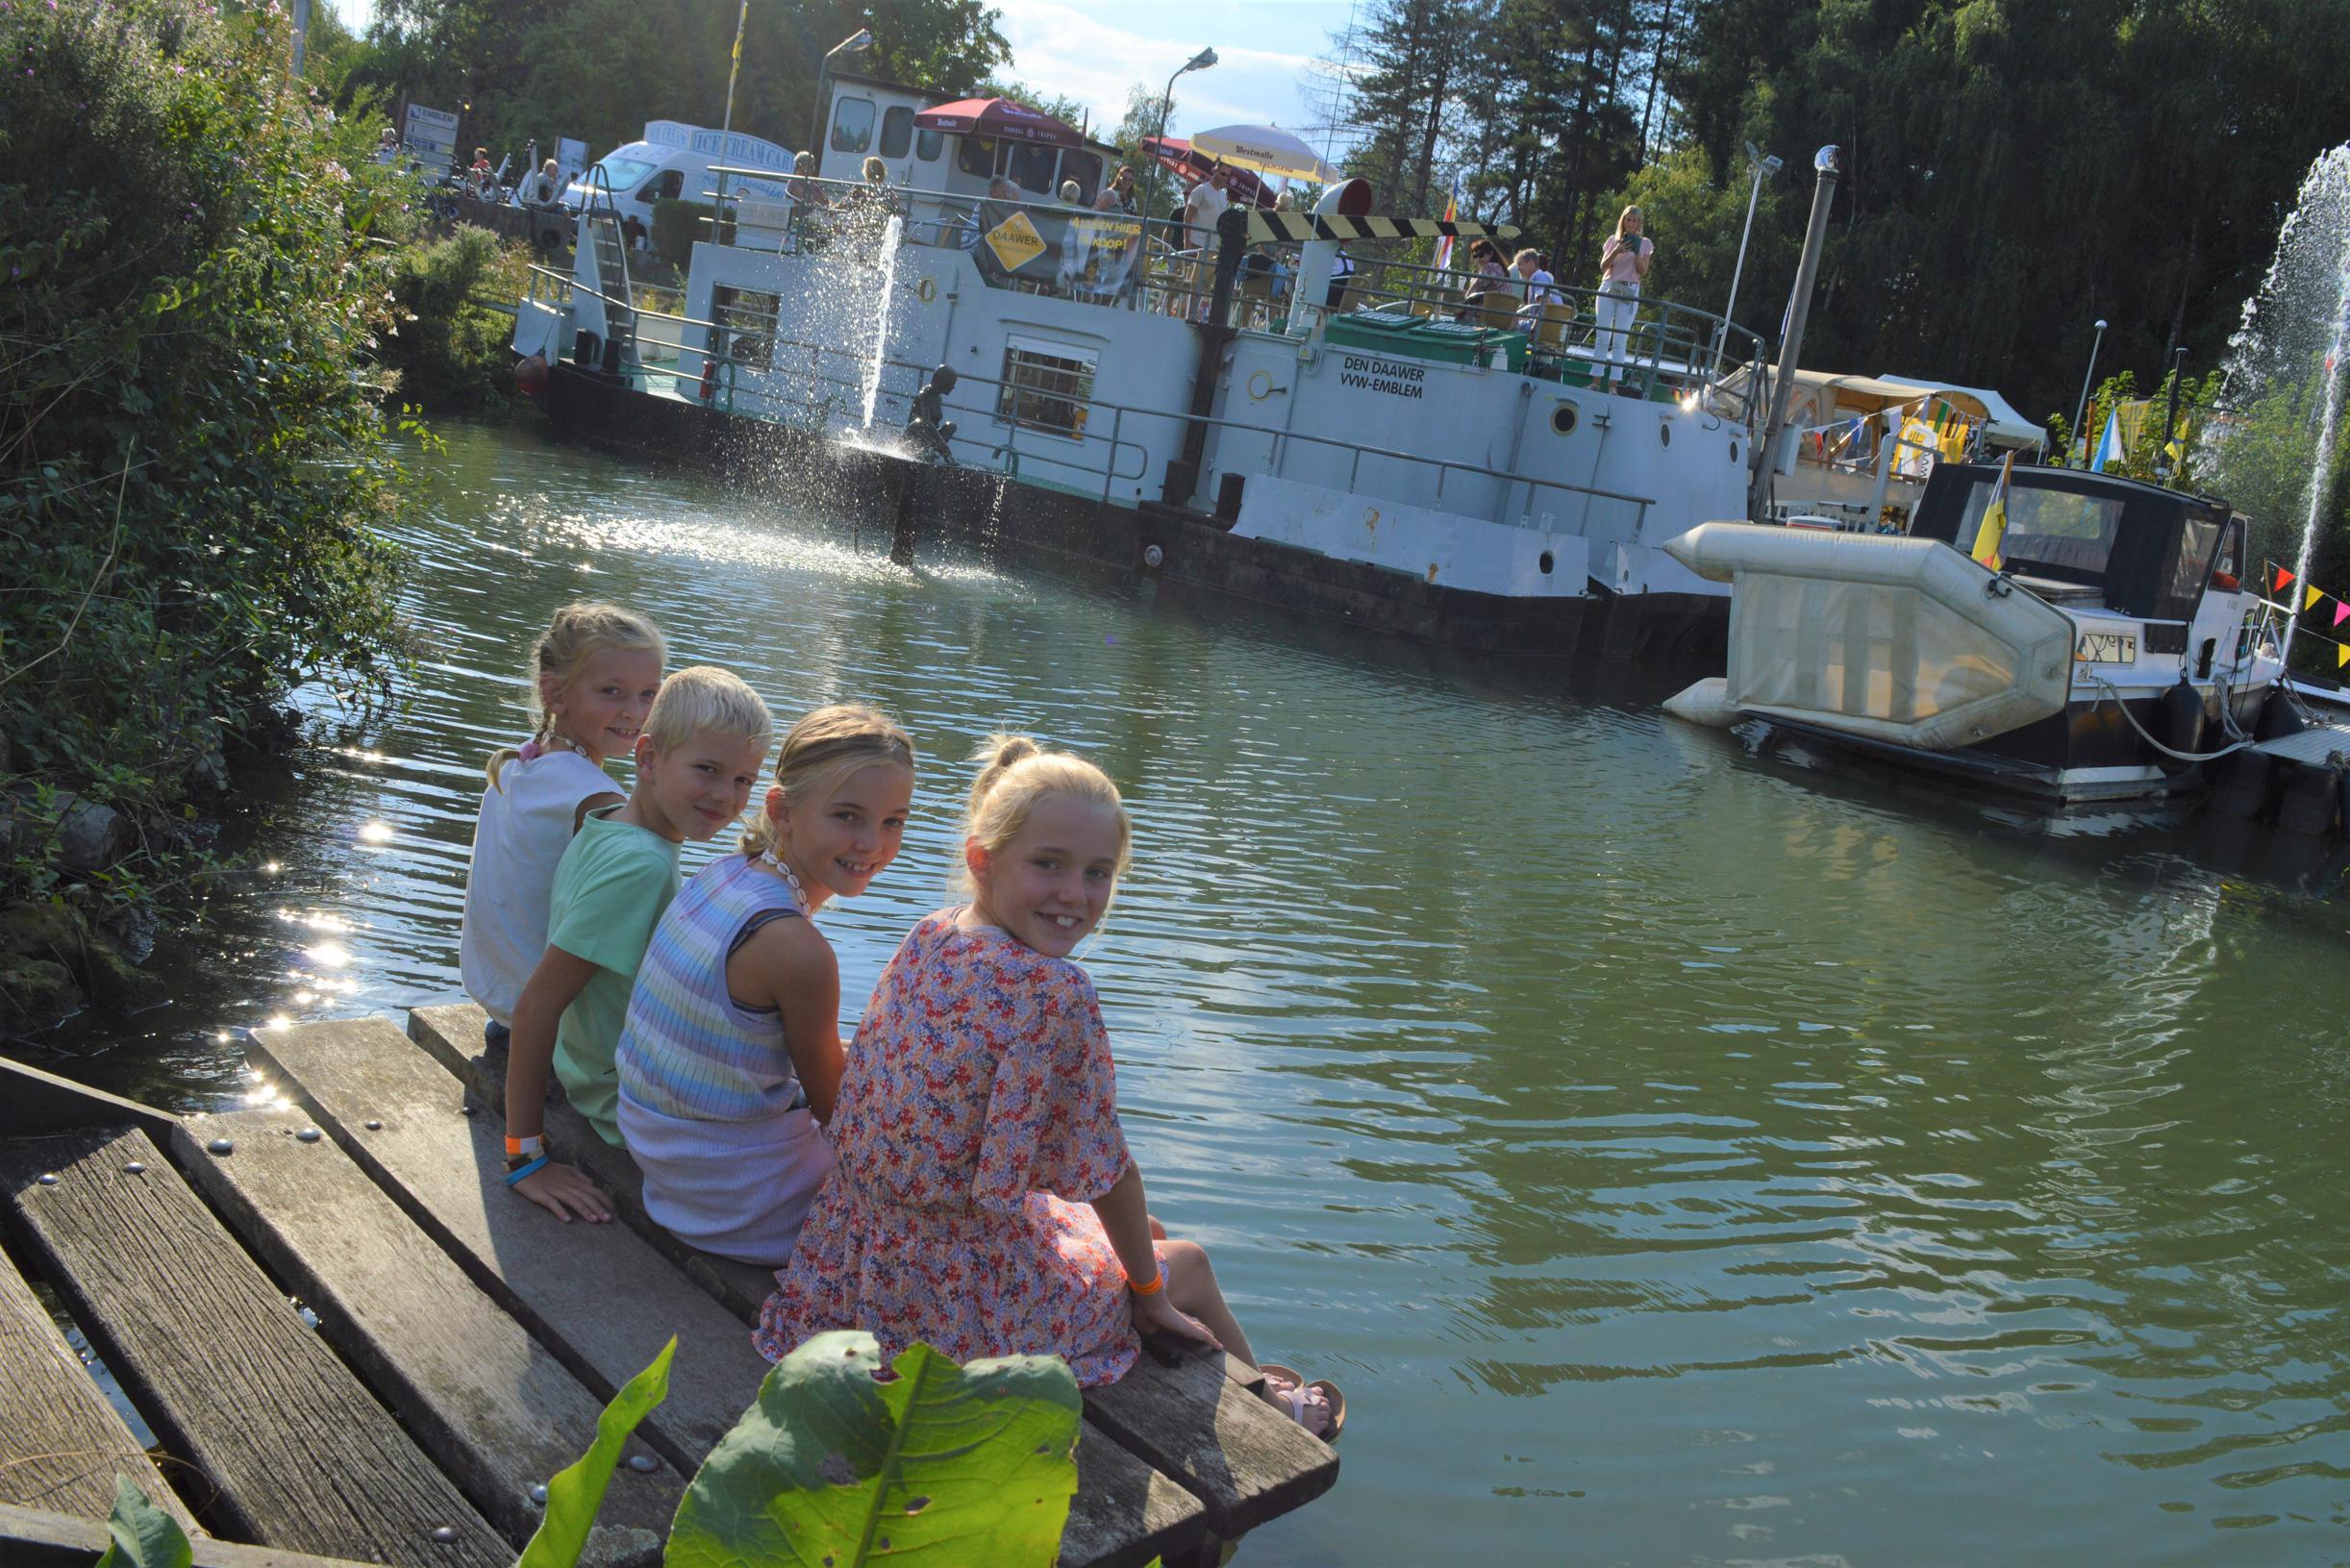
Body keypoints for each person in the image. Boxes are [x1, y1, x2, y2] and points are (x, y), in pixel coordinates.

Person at [757, 735, 1342, 1439]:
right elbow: (1109, 1171)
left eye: (1098, 872)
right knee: (1182, 1262)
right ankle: (1272, 1422)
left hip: (851, 1259)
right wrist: (1149, 1294)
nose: (1075, 893)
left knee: (1132, 1236)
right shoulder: (1054, 990)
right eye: (1049, 865)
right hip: (950, 1309)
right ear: (983, 859)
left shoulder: (933, 933)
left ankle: (1233, 1380)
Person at [614, 707, 916, 1265]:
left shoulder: (725, 874)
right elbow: (841, 1115)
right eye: (847, 815)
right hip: (736, 1199)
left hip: (667, 1158)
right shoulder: (796, 949)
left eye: (893, 821)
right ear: (783, 810)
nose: (872, 842)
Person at [503, 667, 772, 1221]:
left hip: (593, 1072)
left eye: (744, 780)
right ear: (647, 758)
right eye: (707, 770)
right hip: (621, 1105)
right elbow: (537, 1005)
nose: (726, 796)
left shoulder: (606, 823)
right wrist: (526, 1156)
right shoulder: (642, 866)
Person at [460, 604, 664, 1054]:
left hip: (503, 1011)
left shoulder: (517, 763)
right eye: (613, 692)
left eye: (649, 694)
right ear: (555, 695)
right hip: (554, 1036)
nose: (635, 713)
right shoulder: (597, 800)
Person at [1595, 204, 1654, 392]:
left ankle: (1613, 385)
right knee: (1602, 336)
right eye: (1628, 219)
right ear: (1623, 220)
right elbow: (1603, 266)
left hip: (1629, 290)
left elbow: (1642, 270)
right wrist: (1616, 251)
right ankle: (1595, 382)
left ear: (1639, 223)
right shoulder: (1613, 240)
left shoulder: (1645, 243)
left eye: (1635, 220)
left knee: (1620, 340)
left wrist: (1636, 252)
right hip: (1610, 286)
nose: (1631, 224)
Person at [1183, 166, 1230, 251]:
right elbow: (1187, 216)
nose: (1225, 178)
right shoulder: (1201, 190)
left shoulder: (1224, 196)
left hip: (1212, 248)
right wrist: (1187, 242)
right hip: (1195, 244)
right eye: (1223, 174)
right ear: (1214, 171)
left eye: (1228, 176)